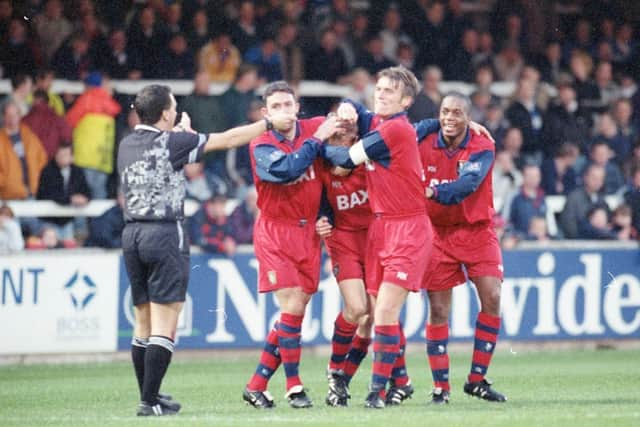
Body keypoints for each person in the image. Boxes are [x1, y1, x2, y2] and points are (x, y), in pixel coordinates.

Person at [118, 84, 295, 417]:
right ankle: (148, 401)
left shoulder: (127, 143)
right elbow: (227, 139)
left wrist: (183, 133)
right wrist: (269, 123)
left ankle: (150, 395)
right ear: (166, 114)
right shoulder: (171, 141)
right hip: (164, 234)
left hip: (132, 235)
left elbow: (167, 153)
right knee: (165, 323)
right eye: (172, 109)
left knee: (142, 323)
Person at [322, 66, 434, 409]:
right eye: (380, 88)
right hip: (381, 229)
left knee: (384, 311)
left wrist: (313, 143)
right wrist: (346, 105)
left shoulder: (395, 130)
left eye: (390, 91)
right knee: (373, 312)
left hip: (408, 228)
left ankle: (375, 391)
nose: (381, 94)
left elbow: (343, 158)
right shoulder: (381, 123)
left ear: (406, 101)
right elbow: (355, 109)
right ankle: (397, 383)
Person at [243, 81, 338, 410]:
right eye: (277, 107)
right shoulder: (261, 144)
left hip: (309, 234)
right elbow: (288, 169)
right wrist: (318, 138)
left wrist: (350, 111)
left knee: (293, 314)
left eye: (288, 104)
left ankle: (256, 385)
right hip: (275, 233)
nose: (285, 111)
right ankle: (294, 385)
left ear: (298, 107)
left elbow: (351, 117)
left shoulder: (312, 127)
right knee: (293, 306)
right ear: (265, 113)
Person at [316, 121, 415, 408]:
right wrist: (321, 219)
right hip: (343, 241)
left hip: (376, 239)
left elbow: (407, 131)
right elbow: (316, 202)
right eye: (334, 134)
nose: (339, 138)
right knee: (358, 309)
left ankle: (349, 380)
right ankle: (336, 369)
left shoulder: (370, 163)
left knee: (378, 314)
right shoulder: (320, 166)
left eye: (345, 134)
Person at [416, 91, 507, 404]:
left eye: (456, 113)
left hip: (477, 231)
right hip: (437, 235)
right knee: (439, 309)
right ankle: (441, 388)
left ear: (468, 118)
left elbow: (467, 186)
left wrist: (429, 190)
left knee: (492, 297)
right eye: (444, 112)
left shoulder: (482, 145)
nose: (449, 119)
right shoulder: (423, 140)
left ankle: (477, 379)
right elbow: (396, 137)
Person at [36, 144, 91, 240]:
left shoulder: (77, 171)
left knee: (72, 243)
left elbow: (87, 191)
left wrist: (84, 198)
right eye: (60, 155)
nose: (62, 158)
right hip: (50, 219)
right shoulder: (47, 171)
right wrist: (70, 199)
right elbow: (48, 194)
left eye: (66, 155)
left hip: (69, 220)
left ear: (72, 157)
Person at [0, 101, 47, 200]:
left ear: (19, 115)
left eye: (15, 114)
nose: (12, 118)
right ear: (3, 117)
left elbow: (42, 159)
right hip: (8, 196)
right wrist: (5, 182)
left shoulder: (29, 135)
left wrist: (38, 181)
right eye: (9, 115)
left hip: (32, 194)